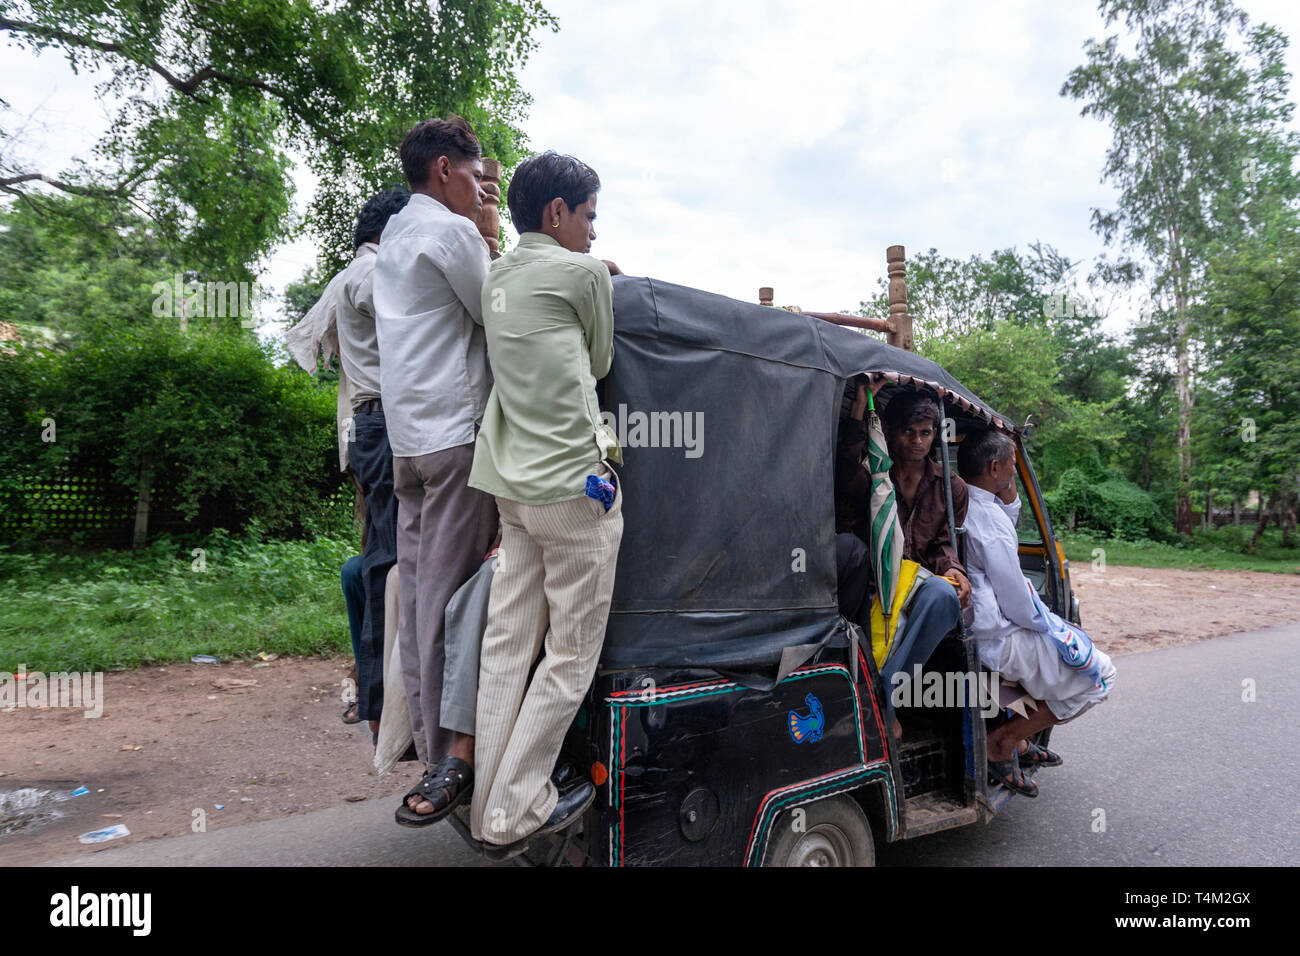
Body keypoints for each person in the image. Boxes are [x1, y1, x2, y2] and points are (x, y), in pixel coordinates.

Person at [467, 151, 624, 857]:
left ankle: (486, 805)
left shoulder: (494, 273)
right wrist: (601, 278)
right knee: (568, 655)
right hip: (572, 488)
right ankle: (514, 808)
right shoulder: (585, 273)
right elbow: (598, 362)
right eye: (588, 216)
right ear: (556, 213)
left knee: (508, 649)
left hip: (511, 489)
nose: (593, 232)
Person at [374, 116, 499, 827]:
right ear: (446, 169)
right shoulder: (449, 234)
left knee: (422, 598)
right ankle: (456, 761)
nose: (482, 195)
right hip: (455, 439)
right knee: (459, 601)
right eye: (479, 181)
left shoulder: (394, 234)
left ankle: (428, 747)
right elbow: (497, 312)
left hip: (407, 445)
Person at [958, 428, 1116, 797]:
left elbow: (1005, 515)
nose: (1014, 473)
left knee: (1050, 657)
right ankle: (1004, 741)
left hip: (975, 631)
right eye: (1012, 466)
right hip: (996, 637)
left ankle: (1022, 741)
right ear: (995, 467)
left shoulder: (964, 501)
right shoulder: (989, 519)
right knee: (1099, 679)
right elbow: (1016, 601)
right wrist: (1050, 624)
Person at [836, 384, 966, 734]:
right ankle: (876, 701)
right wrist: (859, 410)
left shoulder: (951, 487)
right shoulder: (873, 471)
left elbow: (942, 543)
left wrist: (953, 569)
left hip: (915, 582)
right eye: (908, 431)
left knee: (943, 595)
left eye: (925, 433)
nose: (917, 441)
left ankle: (884, 695)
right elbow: (845, 473)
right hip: (869, 581)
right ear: (889, 433)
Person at [338, 187, 412, 733]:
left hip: (373, 425)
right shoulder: (371, 275)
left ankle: (379, 697)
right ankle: (383, 705)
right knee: (386, 563)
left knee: (379, 559)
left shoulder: (356, 273)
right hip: (384, 424)